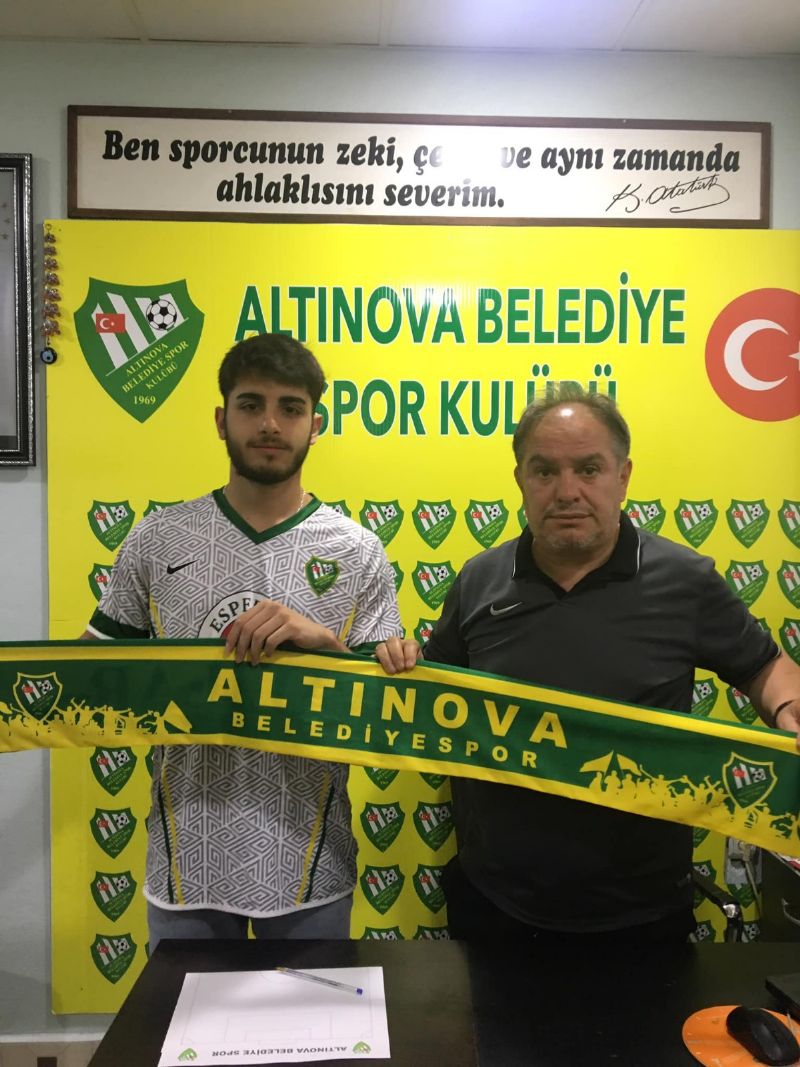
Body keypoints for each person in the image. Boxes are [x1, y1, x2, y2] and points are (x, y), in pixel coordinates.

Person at [377, 387, 800, 945]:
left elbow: (766, 666)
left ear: (623, 476)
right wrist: (395, 663)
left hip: (642, 912)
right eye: (544, 471)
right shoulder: (478, 580)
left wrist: (789, 706)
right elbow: (435, 698)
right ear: (520, 479)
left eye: (589, 469)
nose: (567, 491)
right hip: (495, 903)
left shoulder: (687, 580)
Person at [83, 333, 401, 947]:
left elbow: (383, 714)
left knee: (311, 1015)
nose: (270, 424)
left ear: (315, 425)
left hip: (311, 864)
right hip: (185, 861)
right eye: (251, 405)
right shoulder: (157, 537)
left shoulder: (357, 550)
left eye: (291, 408)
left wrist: (324, 644)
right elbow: (93, 675)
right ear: (220, 419)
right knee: (182, 1013)